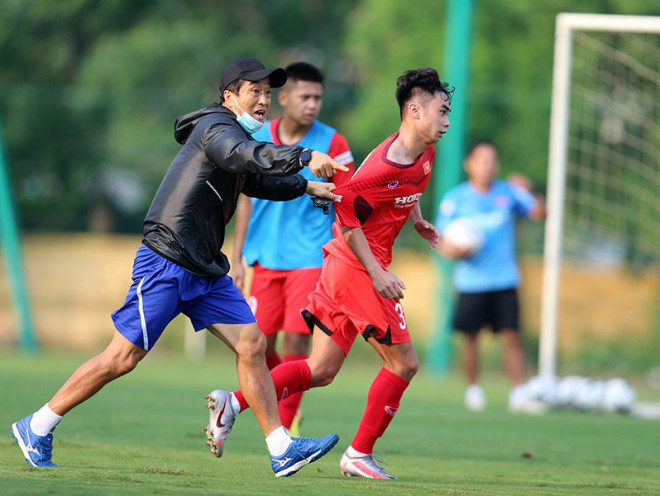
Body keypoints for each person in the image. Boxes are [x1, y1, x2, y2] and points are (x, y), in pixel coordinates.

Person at [10, 57, 349, 477]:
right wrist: (305, 156)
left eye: (267, 92)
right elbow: (244, 156)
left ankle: (281, 448)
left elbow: (255, 179)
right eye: (254, 91)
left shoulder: (235, 136)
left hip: (205, 269)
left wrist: (305, 185)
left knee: (253, 345)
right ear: (230, 96)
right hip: (167, 260)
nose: (264, 101)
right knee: (122, 358)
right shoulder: (217, 129)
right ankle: (37, 425)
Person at [204, 67, 453, 480]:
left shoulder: (425, 151)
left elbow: (409, 189)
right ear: (414, 110)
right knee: (404, 364)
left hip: (344, 267)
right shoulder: (378, 169)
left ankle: (231, 402)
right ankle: (359, 454)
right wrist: (376, 274)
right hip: (357, 266)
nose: (446, 122)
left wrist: (417, 219)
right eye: (441, 112)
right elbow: (347, 215)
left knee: (320, 369)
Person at [229, 62, 355, 435]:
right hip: (264, 256)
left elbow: (348, 196)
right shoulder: (255, 134)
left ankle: (284, 427)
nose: (313, 103)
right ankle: (283, 393)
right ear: (283, 99)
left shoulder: (334, 143)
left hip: (310, 258)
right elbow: (245, 199)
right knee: (255, 343)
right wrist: (236, 259)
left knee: (299, 336)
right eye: (305, 96)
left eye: (318, 97)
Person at [434, 140, 546, 414]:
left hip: (505, 279)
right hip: (471, 282)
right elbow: (440, 239)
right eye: (481, 160)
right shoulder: (456, 198)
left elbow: (540, 214)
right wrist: (454, 251)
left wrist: (529, 189)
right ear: (469, 164)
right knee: (470, 337)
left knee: (511, 336)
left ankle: (519, 393)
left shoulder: (509, 193)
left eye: (492, 160)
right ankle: (473, 390)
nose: (487, 165)